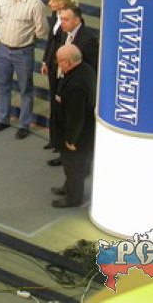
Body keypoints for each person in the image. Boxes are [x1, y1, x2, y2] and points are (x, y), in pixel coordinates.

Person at [0, 0, 48, 139]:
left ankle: (24, 124)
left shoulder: (35, 3)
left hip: (23, 52)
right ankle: (3, 118)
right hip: (3, 49)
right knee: (3, 86)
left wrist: (26, 39)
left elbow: (41, 30)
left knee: (25, 89)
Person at [51, 44, 96, 208]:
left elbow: (75, 117)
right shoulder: (86, 69)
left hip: (76, 136)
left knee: (73, 167)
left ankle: (73, 198)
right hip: (82, 131)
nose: (57, 64)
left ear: (67, 62)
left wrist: (71, 140)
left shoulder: (76, 85)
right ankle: (68, 187)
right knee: (72, 167)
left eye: (59, 61)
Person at [41, 0, 77, 161]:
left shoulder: (68, 21)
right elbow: (51, 40)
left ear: (62, 4)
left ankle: (63, 142)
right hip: (52, 65)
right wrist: (45, 61)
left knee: (61, 104)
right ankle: (54, 139)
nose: (49, 3)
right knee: (53, 103)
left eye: (53, 1)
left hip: (62, 67)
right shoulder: (55, 15)